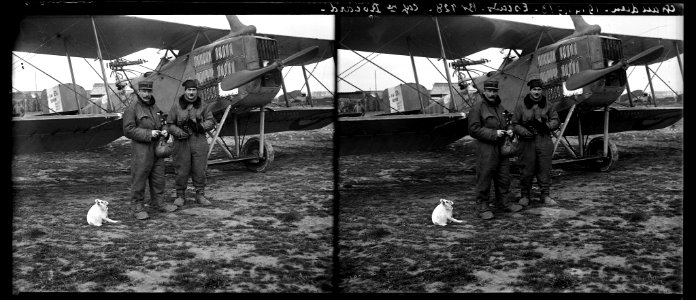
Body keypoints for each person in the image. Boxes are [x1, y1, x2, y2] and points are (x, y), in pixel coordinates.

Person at [468, 80, 523, 220]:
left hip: (502, 149)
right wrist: (493, 133)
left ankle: (504, 204)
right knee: (485, 177)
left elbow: (508, 123)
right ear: (484, 91)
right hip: (486, 149)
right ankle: (482, 207)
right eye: (490, 91)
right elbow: (473, 130)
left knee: (504, 178)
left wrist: (510, 131)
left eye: (494, 91)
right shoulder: (478, 107)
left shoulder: (500, 107)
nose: (492, 94)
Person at [123, 81, 178, 220]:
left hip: (157, 149)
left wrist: (165, 132)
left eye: (149, 91)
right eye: (144, 91)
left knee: (159, 178)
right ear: (139, 92)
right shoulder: (132, 108)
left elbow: (163, 123)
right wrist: (149, 134)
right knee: (139, 178)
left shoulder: (155, 107)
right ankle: (137, 207)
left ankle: (159, 203)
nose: (147, 94)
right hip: (141, 150)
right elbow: (128, 130)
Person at [511, 79, 560, 207]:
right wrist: (523, 131)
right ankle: (525, 195)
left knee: (544, 168)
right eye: (534, 89)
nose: (536, 92)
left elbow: (556, 120)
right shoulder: (521, 105)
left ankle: (545, 195)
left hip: (543, 140)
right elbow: (514, 123)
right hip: (526, 142)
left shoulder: (548, 104)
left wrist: (546, 126)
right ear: (530, 90)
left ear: (541, 90)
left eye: (539, 90)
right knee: (526, 169)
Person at [167, 79, 216, 206]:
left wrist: (200, 126)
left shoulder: (203, 105)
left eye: (194, 90)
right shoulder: (176, 105)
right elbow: (170, 124)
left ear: (197, 91)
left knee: (200, 168)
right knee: (181, 168)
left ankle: (200, 195)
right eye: (189, 90)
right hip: (181, 142)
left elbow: (211, 121)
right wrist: (179, 132)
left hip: (198, 140)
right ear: (185, 91)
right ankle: (180, 195)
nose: (192, 92)